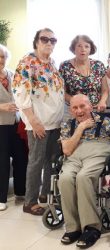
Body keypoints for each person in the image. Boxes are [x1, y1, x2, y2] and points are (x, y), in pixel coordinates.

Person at [58, 94, 110, 248]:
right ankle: (73, 227)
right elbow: (67, 150)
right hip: (74, 155)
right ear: (71, 110)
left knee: (83, 177)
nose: (79, 110)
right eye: (75, 107)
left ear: (91, 106)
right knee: (65, 178)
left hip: (98, 151)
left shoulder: (105, 122)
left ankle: (92, 227)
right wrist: (81, 127)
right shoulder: (67, 124)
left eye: (82, 106)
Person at [12, 28, 64, 215]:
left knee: (51, 161)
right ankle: (30, 201)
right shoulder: (27, 62)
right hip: (39, 123)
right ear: (36, 41)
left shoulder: (52, 63)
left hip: (55, 122)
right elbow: (20, 92)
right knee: (36, 161)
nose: (49, 42)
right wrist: (33, 120)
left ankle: (45, 194)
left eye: (53, 39)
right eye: (45, 39)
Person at [0, 44, 28, 211]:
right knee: (2, 162)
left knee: (21, 158)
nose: (1, 60)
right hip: (0, 125)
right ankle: (1, 197)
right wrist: (1, 107)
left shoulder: (12, 74)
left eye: (3, 56)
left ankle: (21, 191)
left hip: (16, 123)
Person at [60, 35, 108, 113]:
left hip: (96, 110)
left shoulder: (99, 65)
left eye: (87, 46)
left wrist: (102, 101)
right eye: (79, 46)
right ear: (73, 48)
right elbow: (62, 92)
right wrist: (76, 102)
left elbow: (105, 90)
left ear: (90, 49)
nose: (83, 49)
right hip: (76, 111)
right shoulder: (65, 66)